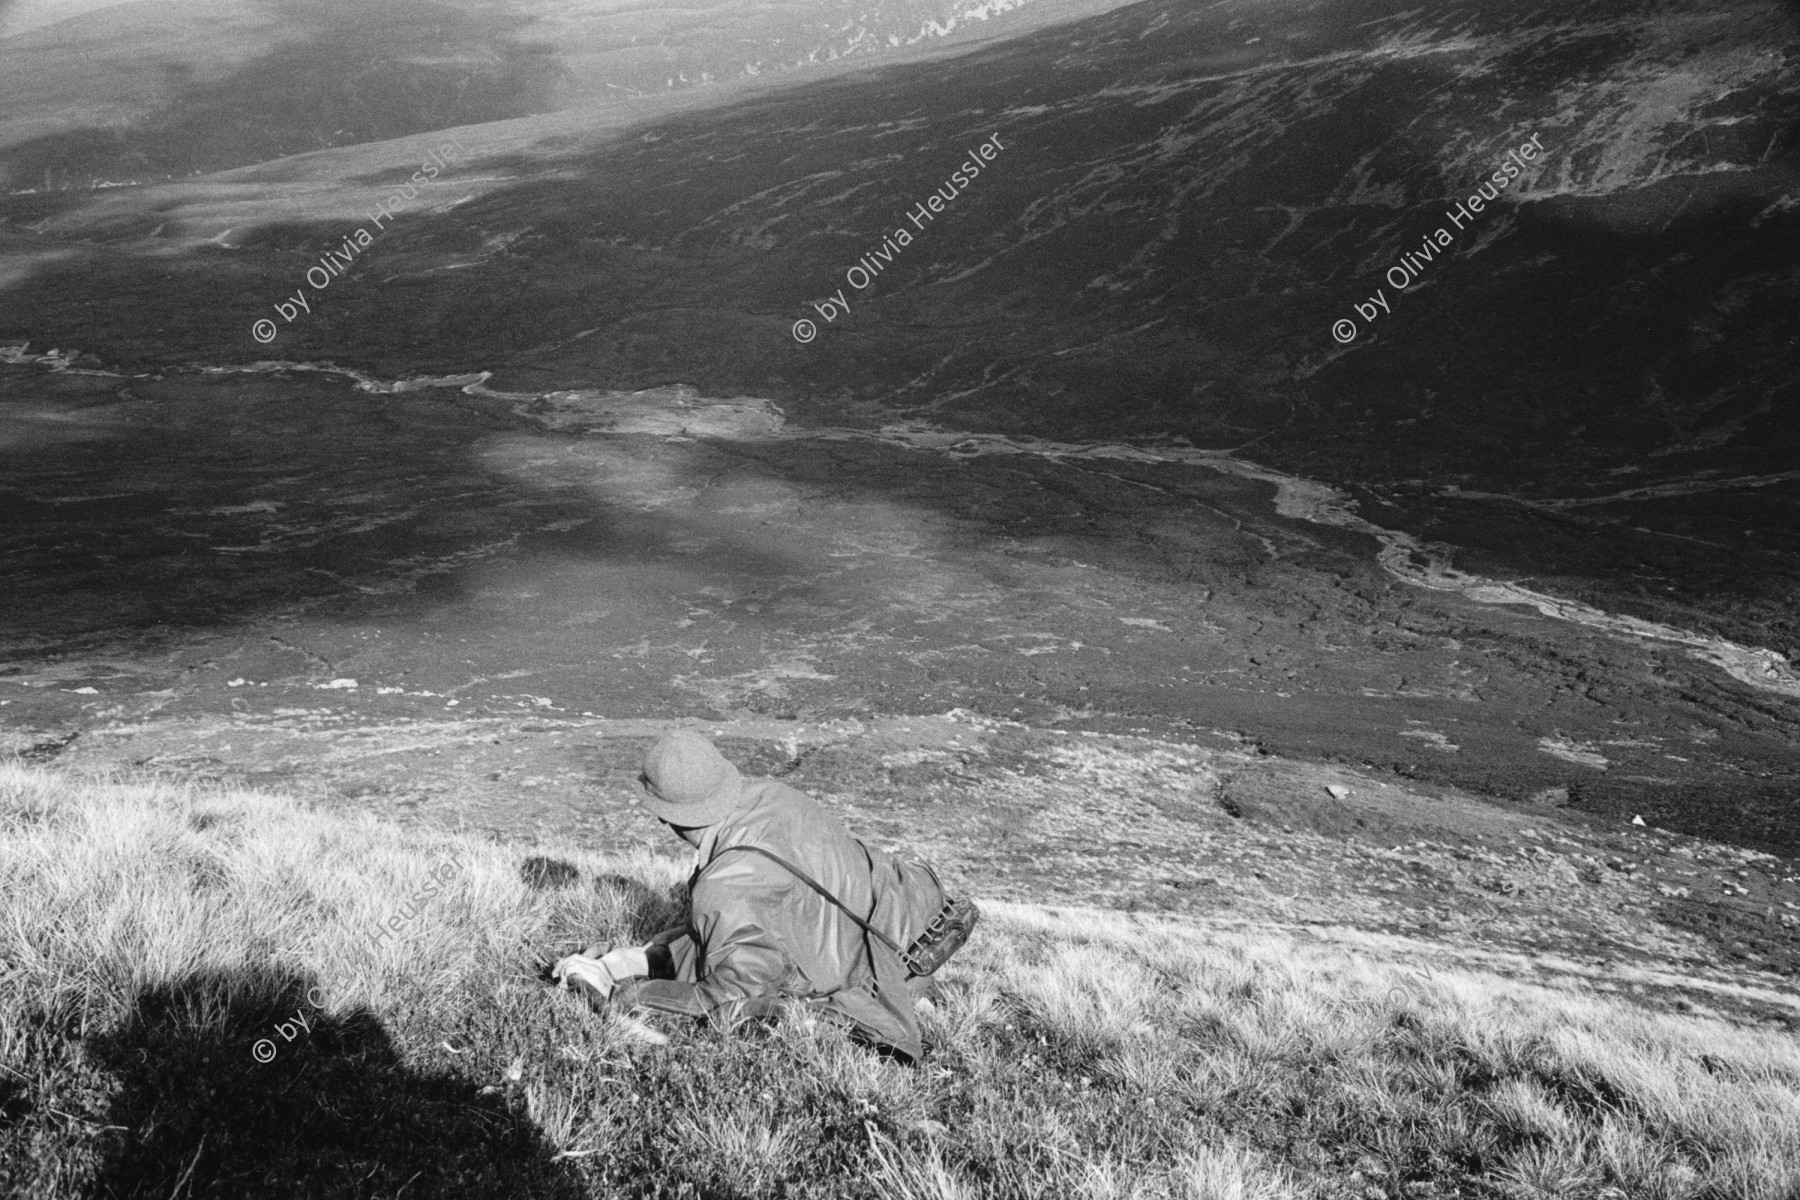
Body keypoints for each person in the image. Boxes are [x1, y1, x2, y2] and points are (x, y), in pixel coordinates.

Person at [552, 729, 975, 1061]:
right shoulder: (776, 795)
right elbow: (769, 911)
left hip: (884, 980)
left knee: (740, 988)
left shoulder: (723, 888)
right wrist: (645, 957)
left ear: (667, 817)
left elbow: (732, 994)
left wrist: (622, 994)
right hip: (916, 926)